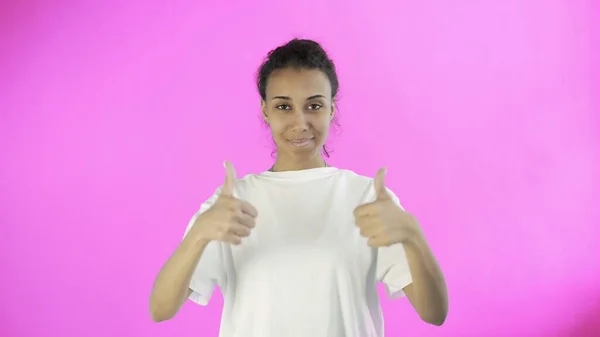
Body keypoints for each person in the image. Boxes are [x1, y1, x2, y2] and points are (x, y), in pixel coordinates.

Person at [149, 38, 448, 337]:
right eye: (283, 106)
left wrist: (413, 237)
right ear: (265, 111)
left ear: (332, 109)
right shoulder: (233, 203)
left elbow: (434, 313)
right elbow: (161, 309)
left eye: (314, 105)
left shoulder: (367, 198)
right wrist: (200, 233)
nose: (300, 122)